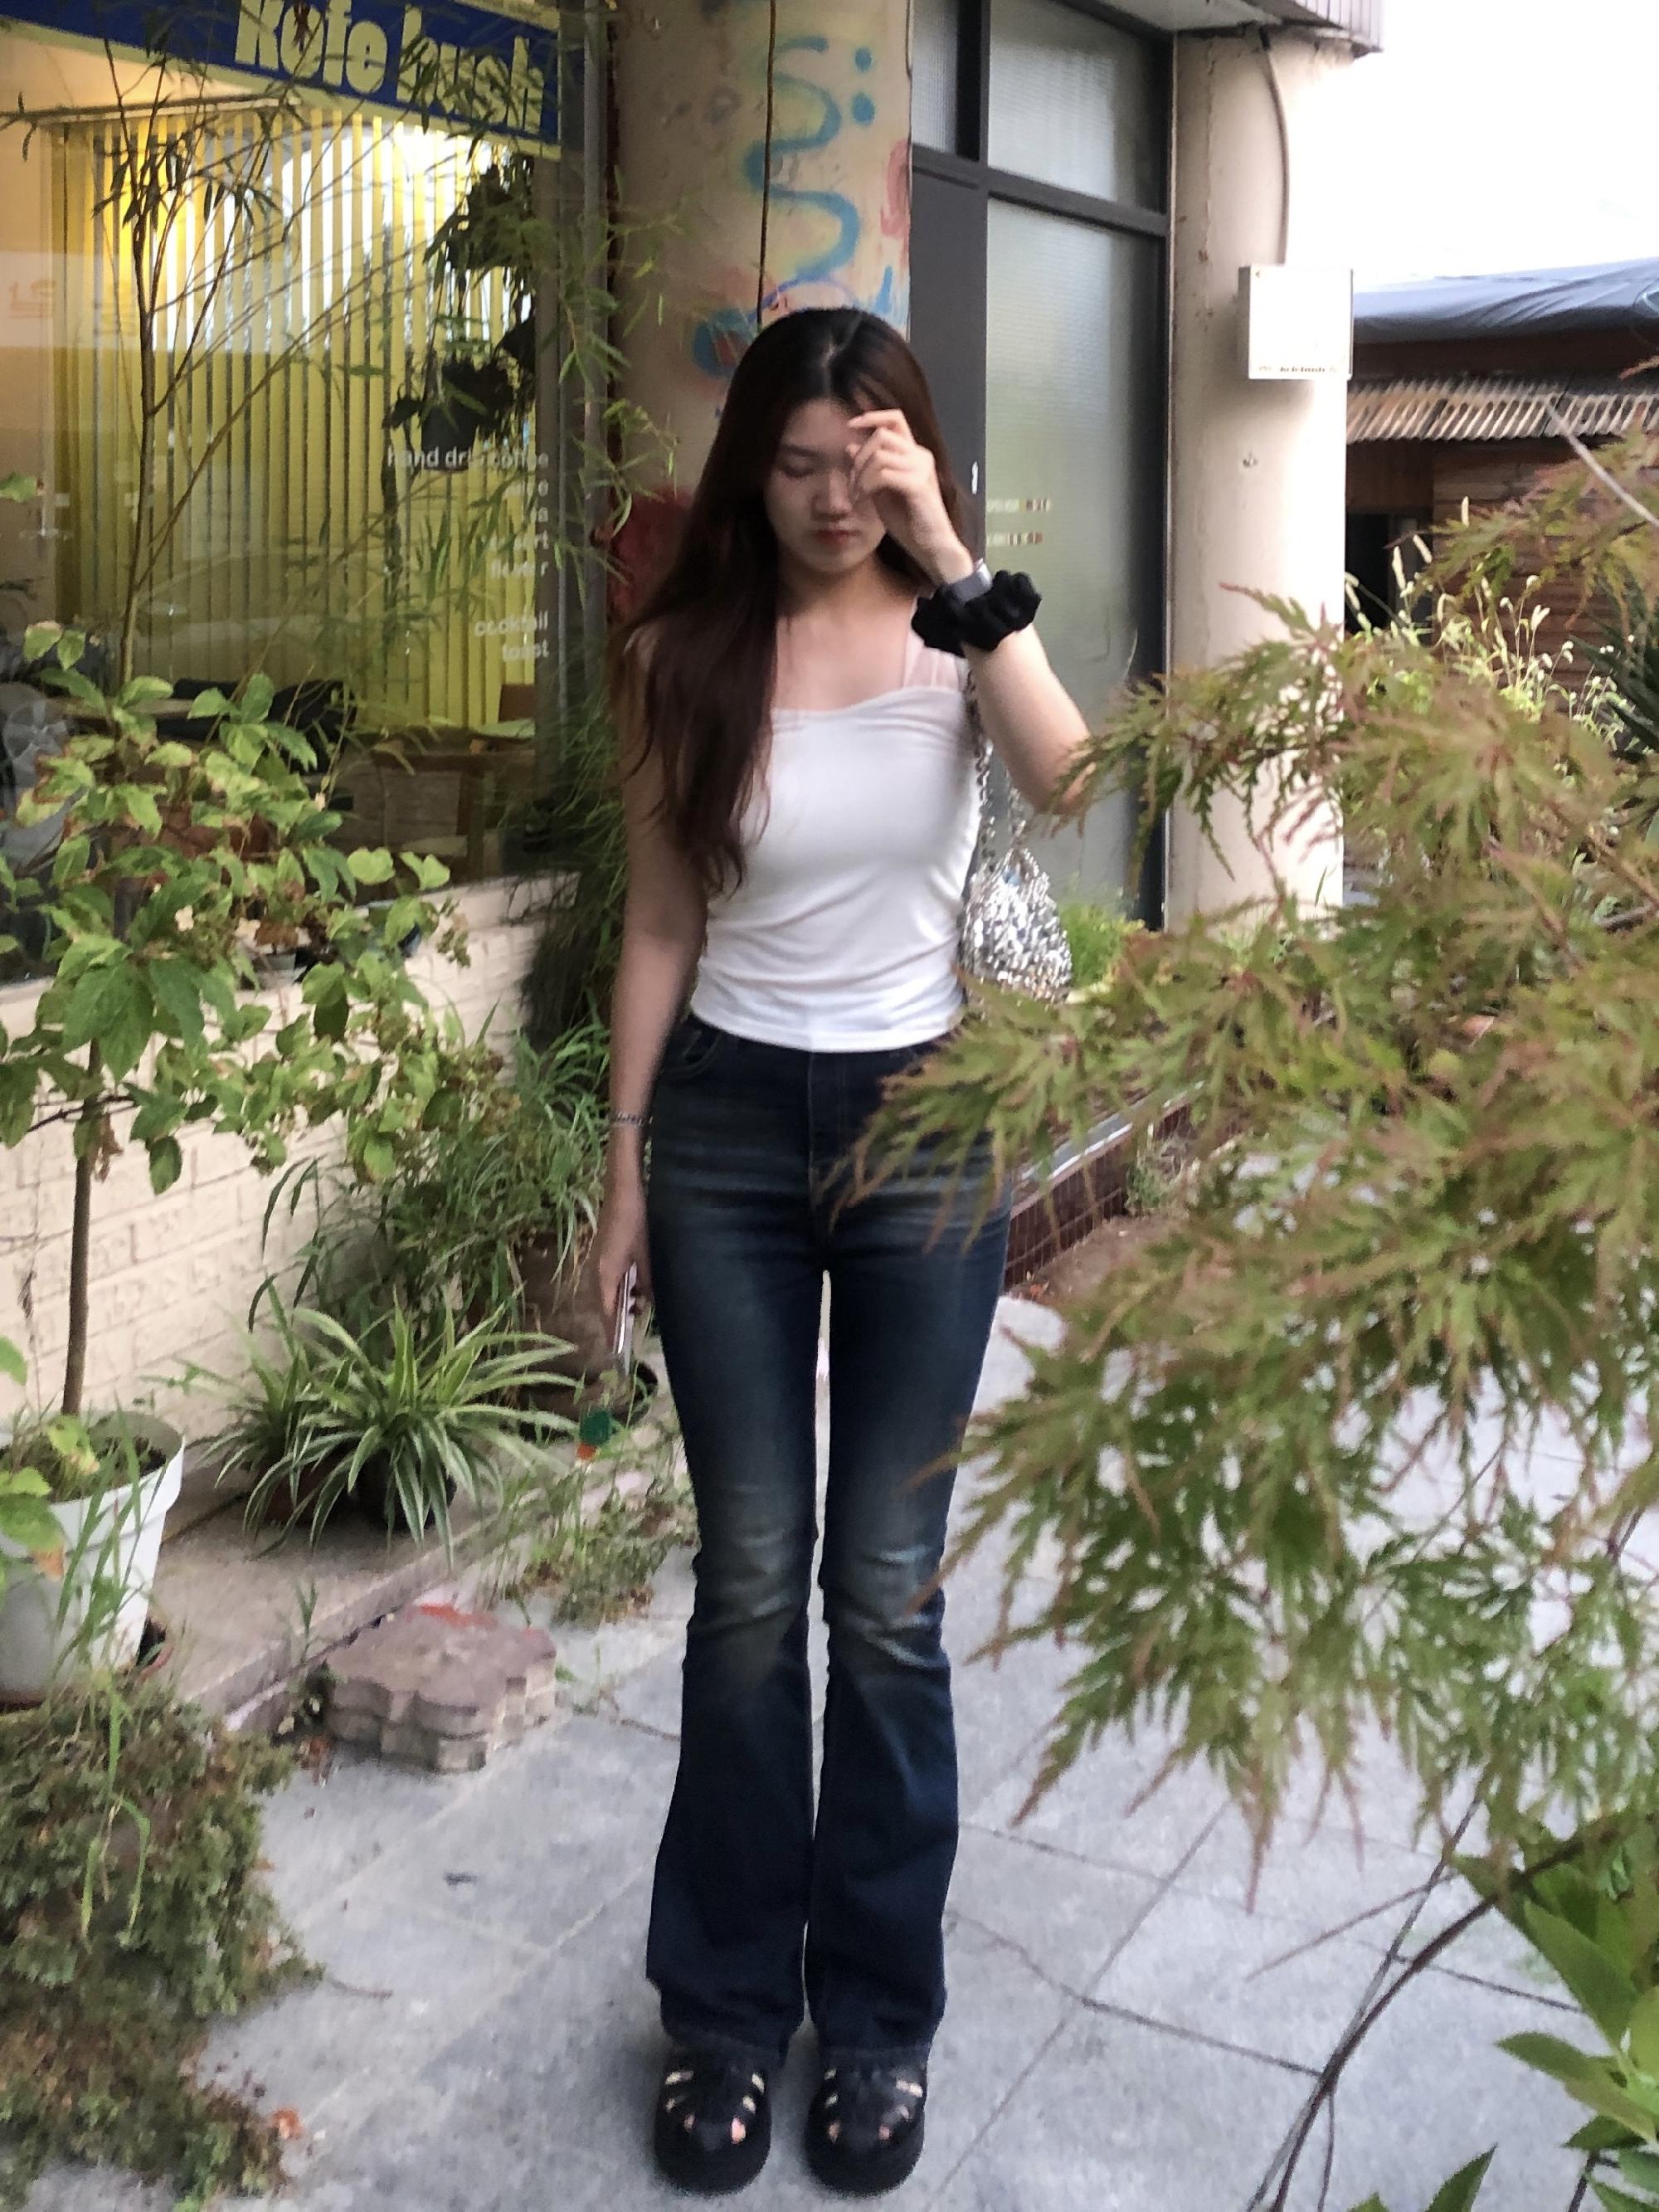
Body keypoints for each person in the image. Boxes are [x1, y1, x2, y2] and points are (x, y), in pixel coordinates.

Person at [591, 305, 1089, 2198]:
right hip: (724, 1128)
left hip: (925, 1127)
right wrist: (622, 1169)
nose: (828, 500)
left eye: (862, 465)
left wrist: (949, 551)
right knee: (746, 1581)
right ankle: (723, 2009)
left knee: (884, 1594)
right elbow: (658, 922)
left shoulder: (960, 635)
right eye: (797, 466)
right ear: (752, 471)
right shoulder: (680, 656)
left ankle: (877, 2018)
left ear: (914, 460)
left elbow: (1073, 778)